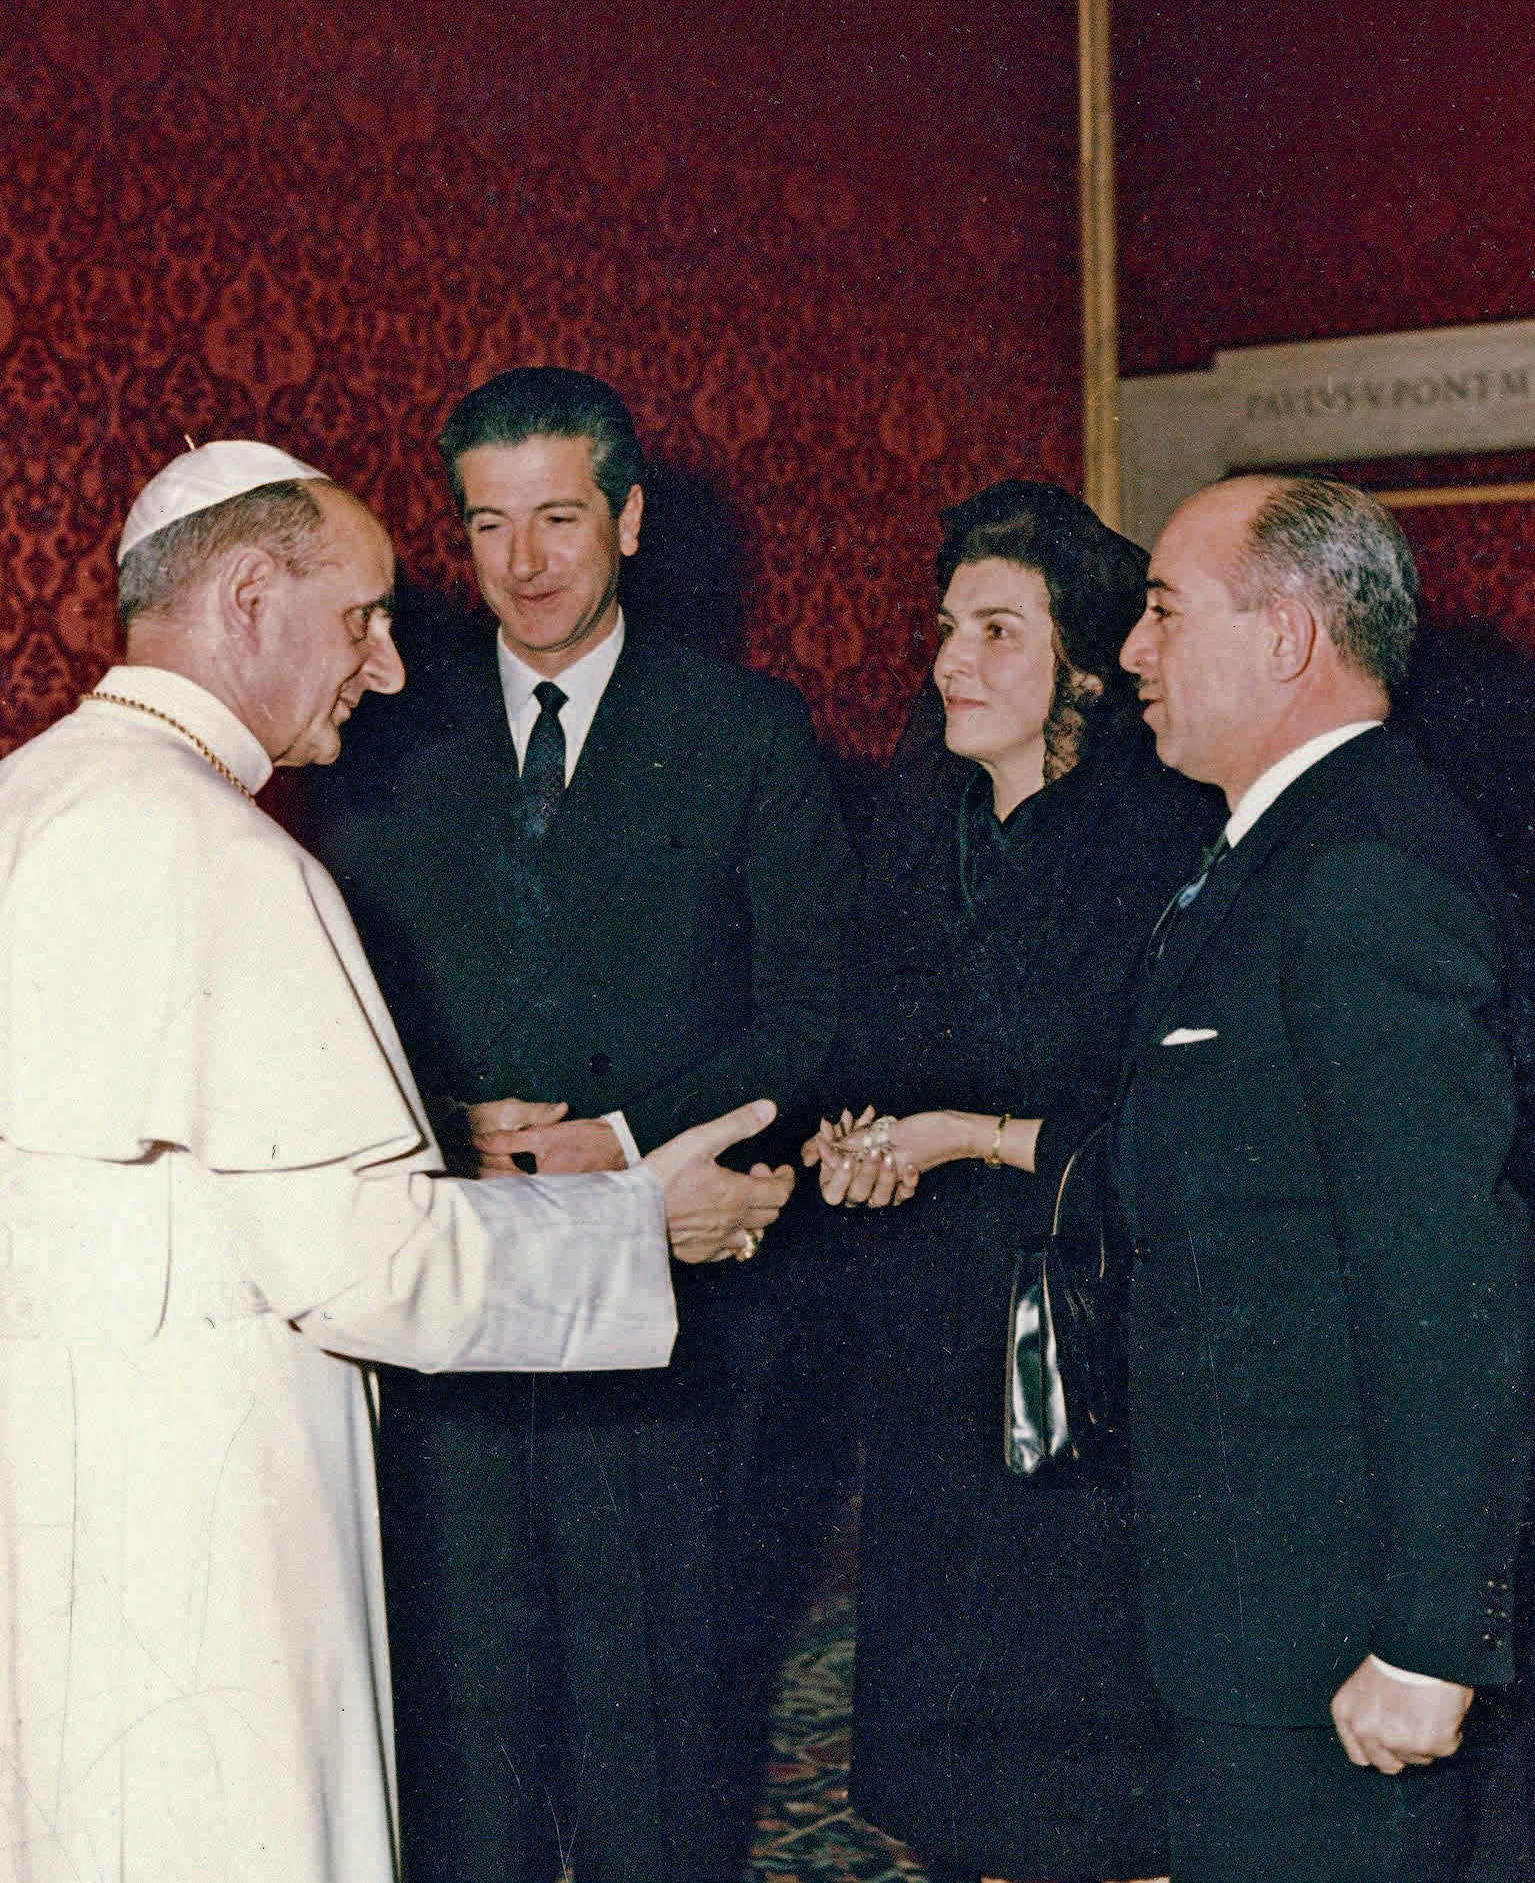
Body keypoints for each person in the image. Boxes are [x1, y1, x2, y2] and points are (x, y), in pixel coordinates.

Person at [0, 439, 793, 1883]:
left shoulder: (32, 798)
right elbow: (367, 1271)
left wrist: (426, 1129)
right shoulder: (230, 858)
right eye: (362, 617)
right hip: (208, 1536)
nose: (390, 668)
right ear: (248, 596)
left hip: (55, 1501)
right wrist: (637, 1225)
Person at [308, 368, 857, 1883]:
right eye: (490, 524)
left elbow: (812, 1008)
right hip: (460, 1304)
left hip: (668, 1322)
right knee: (465, 1728)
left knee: (657, 1727)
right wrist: (443, 1126)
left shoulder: (743, 730)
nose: (527, 561)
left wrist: (616, 1141)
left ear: (626, 516)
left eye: (559, 516)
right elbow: (341, 1001)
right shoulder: (389, 734)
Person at [1114, 471, 1535, 1882]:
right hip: (1257, 1605)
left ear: (1288, 637)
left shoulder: (1364, 870)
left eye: (1166, 610)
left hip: (1337, 1638)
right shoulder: (1275, 851)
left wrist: (1428, 1636)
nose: (1131, 649)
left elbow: (1445, 1273)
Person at [804, 481, 1219, 1882]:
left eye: (997, 631)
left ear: (1084, 672)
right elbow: (864, 1057)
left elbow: (1151, 1132)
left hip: (1085, 1342)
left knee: (1084, 1749)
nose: (949, 662)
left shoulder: (1159, 850)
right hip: (934, 1334)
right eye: (944, 628)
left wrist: (958, 1135)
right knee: (957, 1759)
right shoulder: (919, 838)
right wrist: (850, 1141)